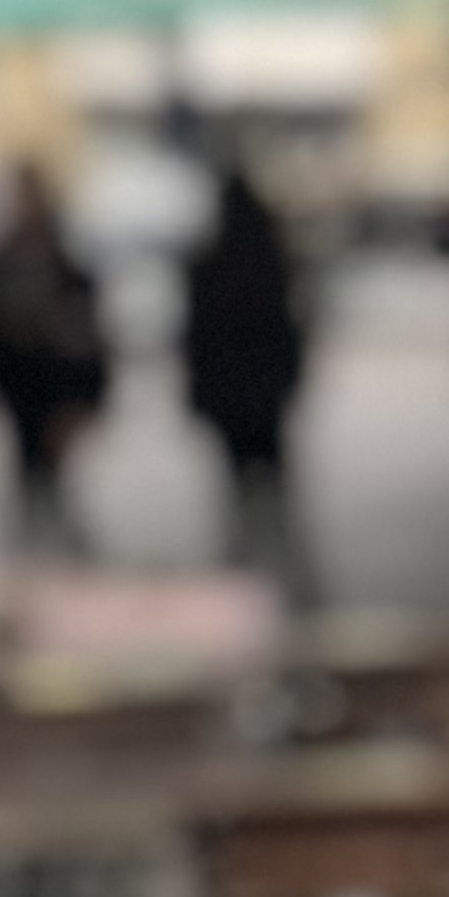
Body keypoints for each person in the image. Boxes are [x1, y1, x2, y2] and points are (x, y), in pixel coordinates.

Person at [182, 156, 307, 589]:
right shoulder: (270, 265)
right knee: (270, 489)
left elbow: (194, 343)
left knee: (239, 487)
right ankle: (275, 563)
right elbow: (290, 335)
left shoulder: (209, 265)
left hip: (231, 401)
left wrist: (200, 398)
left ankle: (245, 560)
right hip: (262, 398)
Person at [0, 163, 109, 553]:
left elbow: (88, 334)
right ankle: (36, 553)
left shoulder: (66, 263)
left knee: (63, 482)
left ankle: (64, 552)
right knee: (29, 483)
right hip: (21, 391)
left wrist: (85, 395)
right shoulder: (3, 263)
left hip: (58, 393)